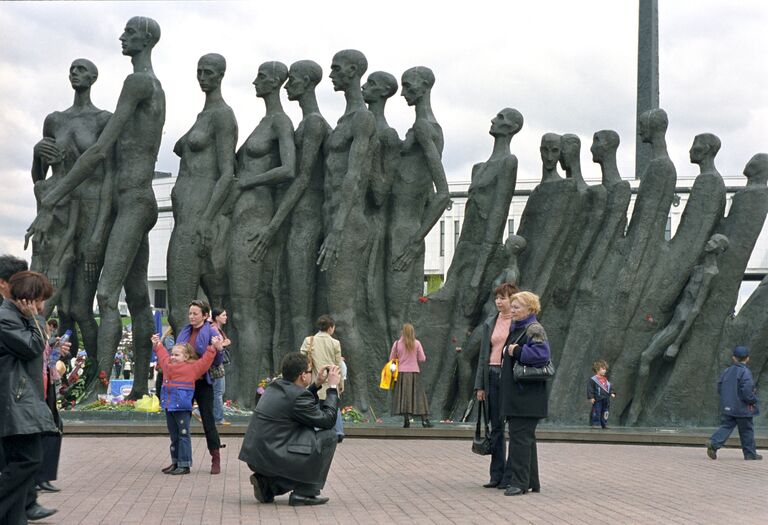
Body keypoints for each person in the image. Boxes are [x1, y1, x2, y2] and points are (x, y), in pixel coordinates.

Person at [26, 17, 166, 400]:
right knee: (137, 299)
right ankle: (137, 389)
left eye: (130, 33)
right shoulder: (146, 84)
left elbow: (101, 151)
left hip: (132, 201)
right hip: (130, 201)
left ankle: (98, 388)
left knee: (107, 297)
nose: (123, 37)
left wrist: (52, 198)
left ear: (147, 39)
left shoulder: (138, 82)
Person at [229, 61, 295, 404]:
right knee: (238, 308)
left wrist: (249, 181)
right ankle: (239, 390)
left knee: (245, 308)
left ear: (273, 82)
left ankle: (244, 396)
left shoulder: (280, 121)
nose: (255, 80)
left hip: (257, 216)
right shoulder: (262, 122)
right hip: (241, 216)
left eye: (260, 76)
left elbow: (289, 168)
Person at [166, 53, 237, 334]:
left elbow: (227, 174)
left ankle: (192, 373)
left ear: (220, 75)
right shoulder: (203, 115)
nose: (202, 77)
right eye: (199, 71)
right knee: (190, 309)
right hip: (185, 216)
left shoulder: (222, 115)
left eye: (208, 72)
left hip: (196, 219)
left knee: (181, 309)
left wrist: (207, 219)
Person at [239, 353, 340, 506]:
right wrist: (332, 388)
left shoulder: (275, 386)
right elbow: (328, 420)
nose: (311, 374)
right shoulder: (297, 397)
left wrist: (317, 384)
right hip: (273, 456)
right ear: (302, 376)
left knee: (305, 435)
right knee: (329, 437)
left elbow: (296, 403)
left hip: (256, 456)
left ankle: (268, 486)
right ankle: (305, 492)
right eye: (309, 371)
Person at [0, 271, 59, 523]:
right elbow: (32, 348)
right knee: (30, 460)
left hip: (21, 401)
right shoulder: (6, 319)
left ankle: (14, 518)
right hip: (15, 402)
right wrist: (36, 320)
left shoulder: (17, 317)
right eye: (40, 299)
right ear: (28, 299)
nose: (42, 306)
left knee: (22, 461)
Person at [499, 291, 551, 496]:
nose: (512, 309)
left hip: (527, 395)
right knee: (525, 438)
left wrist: (517, 351)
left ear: (530, 308)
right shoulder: (518, 328)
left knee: (520, 438)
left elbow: (542, 354)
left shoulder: (534, 328)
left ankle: (519, 483)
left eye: (517, 306)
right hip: (520, 395)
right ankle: (531, 481)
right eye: (512, 306)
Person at [151, 333, 222, 475]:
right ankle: (176, 461)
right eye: (173, 354)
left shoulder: (192, 368)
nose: (172, 357)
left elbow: (205, 362)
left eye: (177, 355)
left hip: (182, 407)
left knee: (183, 434)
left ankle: (184, 464)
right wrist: (157, 344)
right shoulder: (167, 365)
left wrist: (212, 348)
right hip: (169, 406)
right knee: (174, 435)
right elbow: (162, 354)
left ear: (186, 357)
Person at [473, 282, 518, 488]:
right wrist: (480, 386)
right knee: (496, 427)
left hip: (510, 377)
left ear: (513, 299)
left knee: (514, 427)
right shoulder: (491, 322)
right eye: (497, 298)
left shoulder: (519, 323)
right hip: (492, 375)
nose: (499, 302)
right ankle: (496, 475)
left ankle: (511, 475)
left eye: (503, 298)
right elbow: (483, 355)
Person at [175, 300, 225, 474]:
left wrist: (218, 349)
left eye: (195, 313)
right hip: (184, 383)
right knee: (180, 420)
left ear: (205, 315)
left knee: (208, 420)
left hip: (203, 382)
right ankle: (180, 461)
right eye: (190, 313)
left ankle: (215, 458)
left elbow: (217, 361)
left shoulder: (212, 332)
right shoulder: (185, 331)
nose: (192, 317)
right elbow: (176, 352)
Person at [706, 346, 761, 461]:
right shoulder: (745, 372)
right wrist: (753, 400)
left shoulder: (727, 371)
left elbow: (720, 386)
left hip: (728, 406)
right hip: (742, 407)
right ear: (747, 359)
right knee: (747, 430)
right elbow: (747, 391)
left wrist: (727, 399)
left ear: (734, 358)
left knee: (726, 426)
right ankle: (750, 454)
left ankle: (714, 442)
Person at [300, 315, 345, 441]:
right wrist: (340, 384)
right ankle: (338, 432)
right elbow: (338, 366)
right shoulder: (335, 343)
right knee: (333, 404)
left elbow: (302, 360)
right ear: (330, 328)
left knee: (315, 405)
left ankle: (316, 430)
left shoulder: (309, 341)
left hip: (316, 379)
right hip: (331, 380)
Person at [389, 323, 433, 428]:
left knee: (404, 397)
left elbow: (391, 359)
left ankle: (406, 421)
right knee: (419, 397)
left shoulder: (397, 344)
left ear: (402, 332)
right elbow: (422, 358)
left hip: (401, 374)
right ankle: (424, 420)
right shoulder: (417, 343)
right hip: (414, 373)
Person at [210, 308, 232, 426]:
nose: (225, 317)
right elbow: (214, 346)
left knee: (218, 391)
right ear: (216, 317)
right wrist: (224, 343)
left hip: (218, 364)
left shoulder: (217, 329)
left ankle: (215, 416)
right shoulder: (213, 329)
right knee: (218, 391)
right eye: (223, 315)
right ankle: (218, 418)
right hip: (216, 365)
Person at [587, 360, 616, 429]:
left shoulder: (605, 380)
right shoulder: (593, 380)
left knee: (606, 412)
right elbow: (590, 389)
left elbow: (609, 387)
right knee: (597, 411)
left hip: (606, 399)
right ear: (597, 369)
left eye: (605, 369)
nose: (605, 370)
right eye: (603, 369)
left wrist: (612, 393)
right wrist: (591, 397)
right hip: (598, 399)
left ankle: (604, 423)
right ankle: (596, 423)